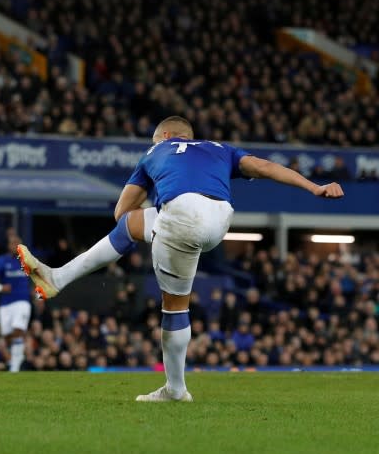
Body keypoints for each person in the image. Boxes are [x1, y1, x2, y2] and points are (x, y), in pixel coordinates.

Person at [18, 116, 343, 401]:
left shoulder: (155, 152)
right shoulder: (221, 148)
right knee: (138, 229)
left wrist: (151, 197)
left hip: (182, 217)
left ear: (165, 137)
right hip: (219, 218)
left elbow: (120, 212)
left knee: (171, 303)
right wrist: (314, 187)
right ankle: (57, 277)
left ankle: (175, 389)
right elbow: (265, 167)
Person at [0, 233, 32, 372]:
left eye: (18, 243)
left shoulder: (28, 260)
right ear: (8, 246)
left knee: (18, 330)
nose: (15, 246)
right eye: (13, 243)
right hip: (6, 303)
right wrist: (0, 287)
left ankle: (15, 366)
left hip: (22, 301)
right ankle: (16, 357)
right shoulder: (1, 261)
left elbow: (39, 276)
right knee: (7, 336)